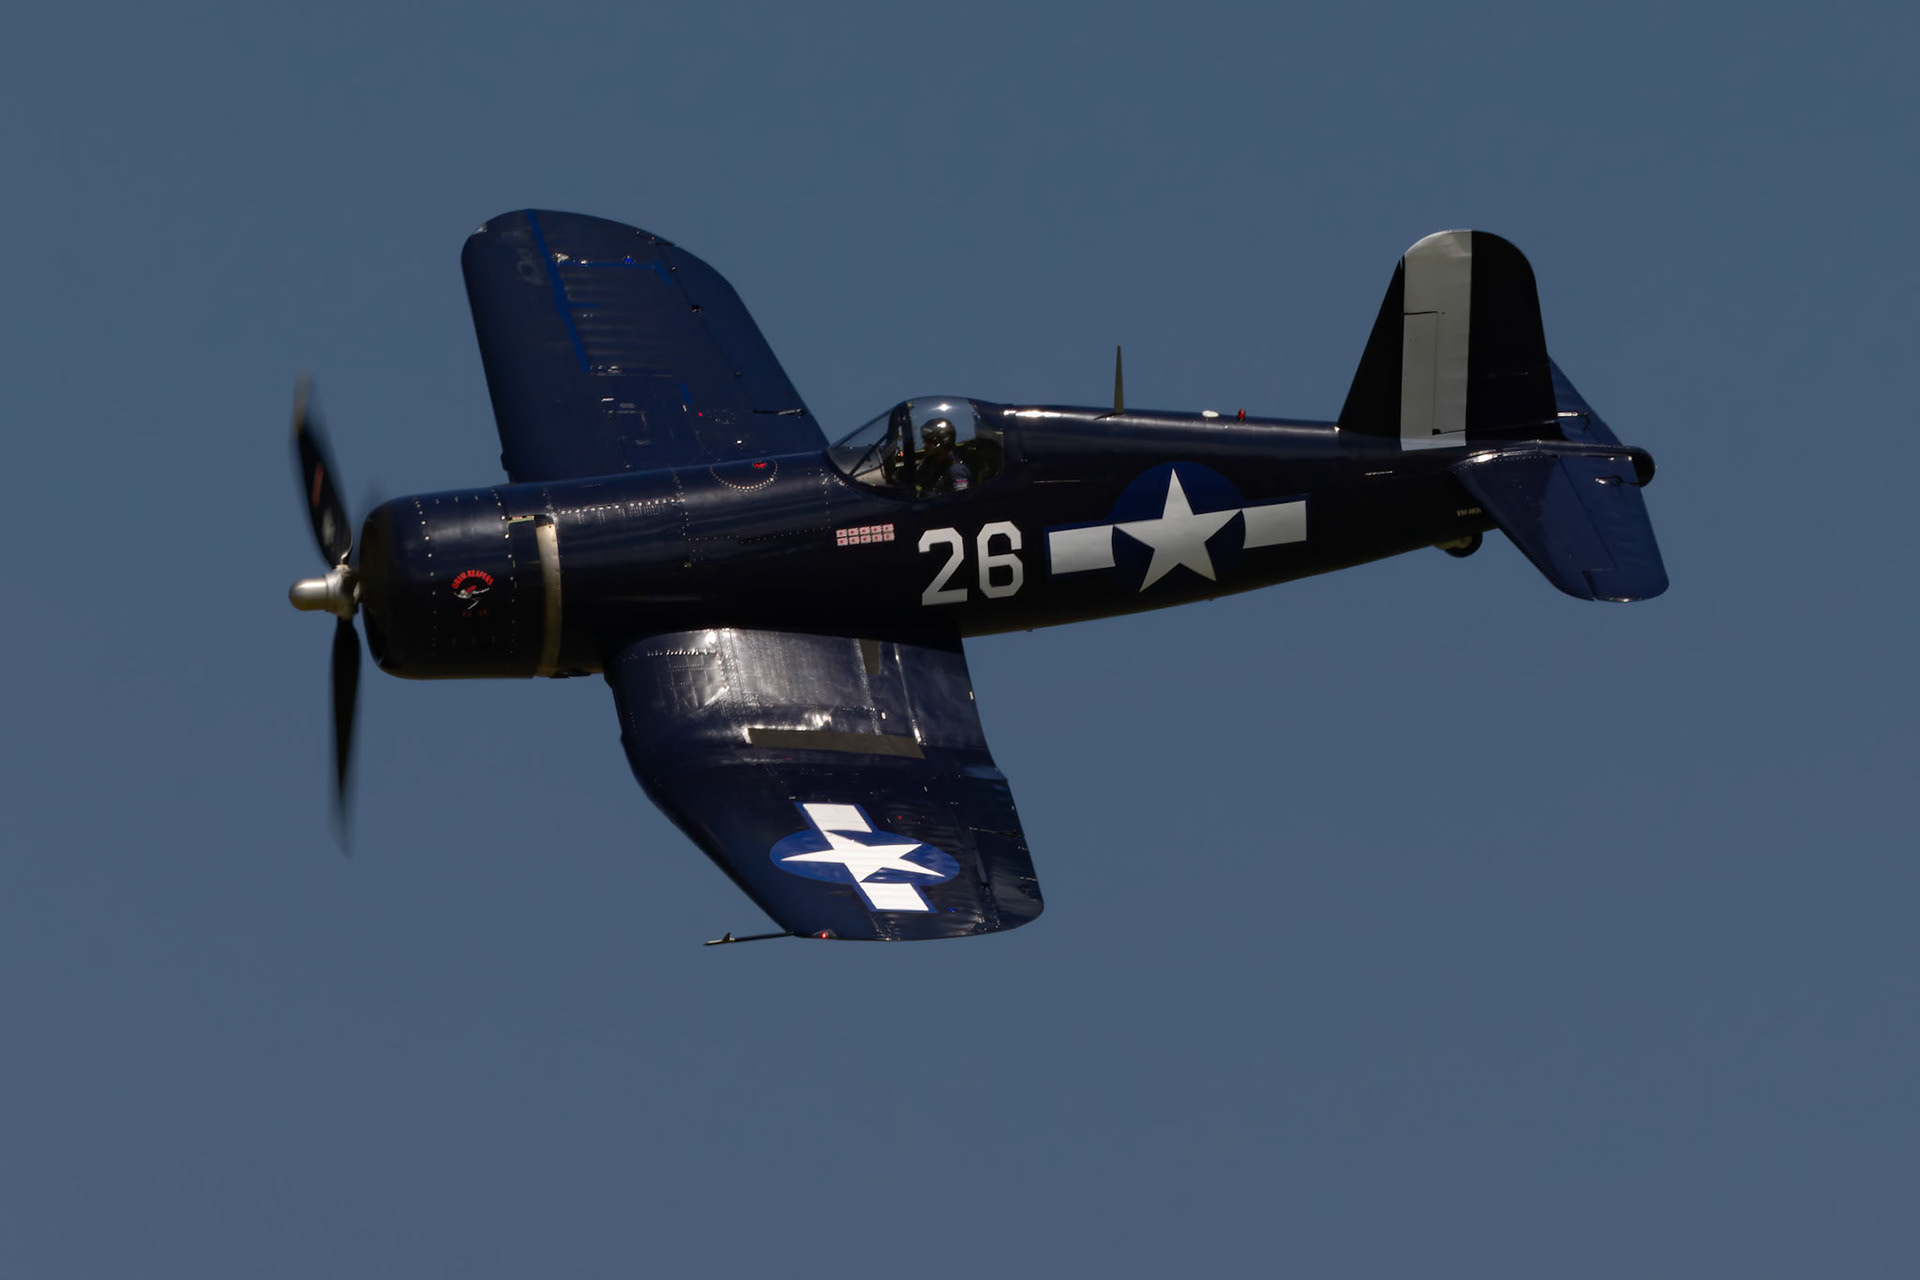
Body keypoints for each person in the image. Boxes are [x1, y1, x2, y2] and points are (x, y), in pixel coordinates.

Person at [916, 417, 972, 496]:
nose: (925, 445)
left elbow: (961, 501)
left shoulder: (957, 471)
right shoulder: (927, 467)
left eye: (929, 440)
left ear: (943, 440)